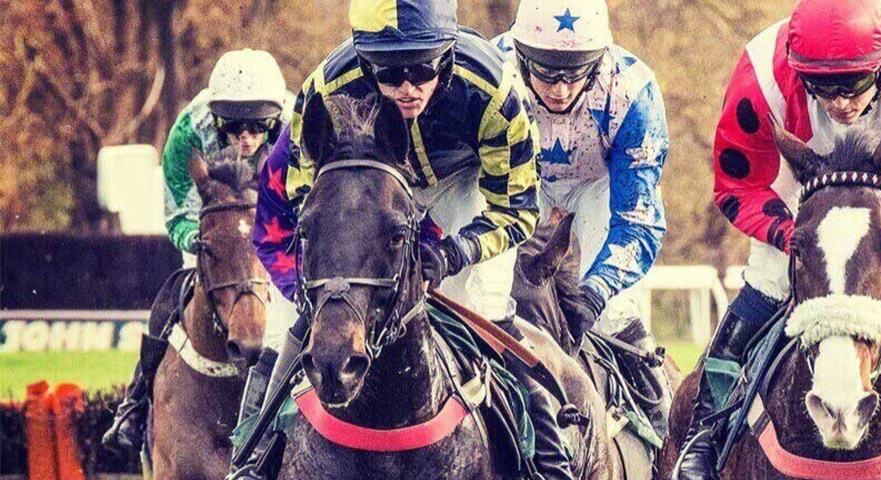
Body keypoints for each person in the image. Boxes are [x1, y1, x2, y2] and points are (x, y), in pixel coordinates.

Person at [230, 1, 571, 478]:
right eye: (389, 75)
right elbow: (307, 197)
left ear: (447, 56)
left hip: (465, 184)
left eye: (422, 69)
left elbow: (516, 208)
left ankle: (550, 462)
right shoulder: (323, 93)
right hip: (370, 183)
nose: (407, 88)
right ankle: (250, 459)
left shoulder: (495, 93)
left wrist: (456, 251)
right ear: (365, 63)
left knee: (486, 304)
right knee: (301, 318)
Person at [680, 0, 881, 478]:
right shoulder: (760, 74)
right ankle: (702, 437)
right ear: (798, 69)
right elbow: (738, 184)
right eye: (821, 88)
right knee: (770, 279)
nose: (839, 103)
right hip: (800, 183)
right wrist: (787, 236)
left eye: (852, 86)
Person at [101, 48, 293, 450]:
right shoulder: (188, 131)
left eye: (257, 125)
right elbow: (176, 213)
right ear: (215, 117)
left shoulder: (297, 126)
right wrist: (201, 241)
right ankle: (135, 408)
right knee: (172, 296)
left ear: (275, 117)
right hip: (214, 229)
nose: (245, 136)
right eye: (234, 125)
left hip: (277, 225)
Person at [493, 0, 669, 344]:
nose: (560, 90)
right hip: (518, 177)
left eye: (575, 72)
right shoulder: (492, 73)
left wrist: (596, 293)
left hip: (598, 184)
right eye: (546, 71)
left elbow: (638, 221)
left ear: (599, 60)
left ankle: (652, 391)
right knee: (487, 293)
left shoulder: (633, 92)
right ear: (521, 56)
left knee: (613, 311)